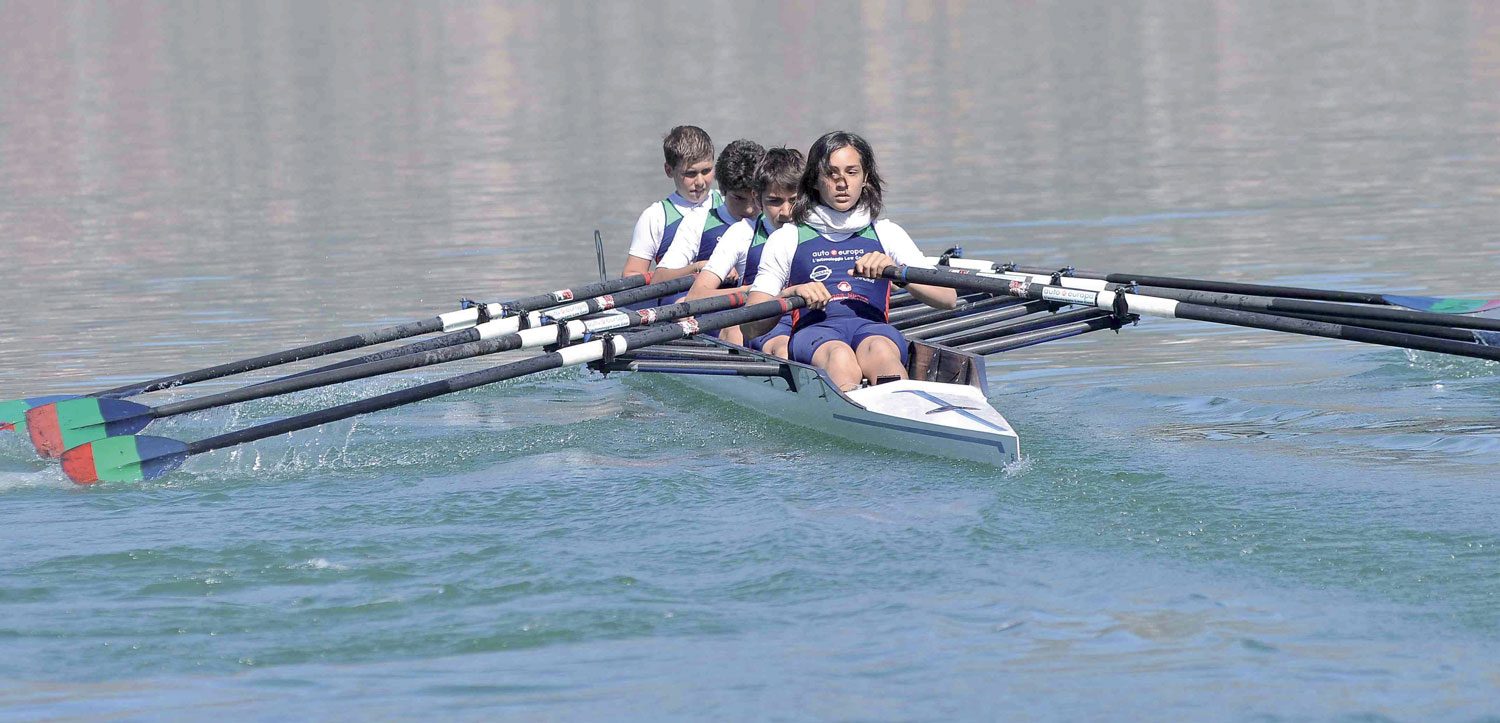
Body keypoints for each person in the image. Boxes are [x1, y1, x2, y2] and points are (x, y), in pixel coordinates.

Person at [741, 131, 956, 390]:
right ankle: (853, 402)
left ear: (865, 178)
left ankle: (899, 403)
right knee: (839, 356)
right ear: (814, 181)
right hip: (815, 333)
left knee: (881, 350)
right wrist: (791, 293)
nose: (842, 183)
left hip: (873, 331)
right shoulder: (788, 237)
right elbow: (749, 328)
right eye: (831, 173)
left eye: (852, 172)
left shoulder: (887, 232)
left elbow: (948, 298)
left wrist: (896, 273)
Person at [684, 147, 802, 354]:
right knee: (740, 333)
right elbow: (695, 297)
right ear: (757, 198)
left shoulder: (821, 231)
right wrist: (751, 291)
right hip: (762, 324)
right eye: (774, 201)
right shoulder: (742, 233)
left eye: (794, 200)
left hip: (810, 323)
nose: (786, 212)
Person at [652, 139, 765, 283]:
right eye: (739, 198)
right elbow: (659, 279)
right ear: (723, 190)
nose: (749, 209)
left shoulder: (777, 221)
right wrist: (701, 267)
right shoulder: (699, 221)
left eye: (756, 199)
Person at [621, 125, 723, 278]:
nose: (700, 182)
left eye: (706, 171)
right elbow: (631, 274)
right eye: (691, 173)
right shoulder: (655, 217)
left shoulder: (728, 203)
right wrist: (693, 269)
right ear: (669, 171)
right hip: (677, 292)